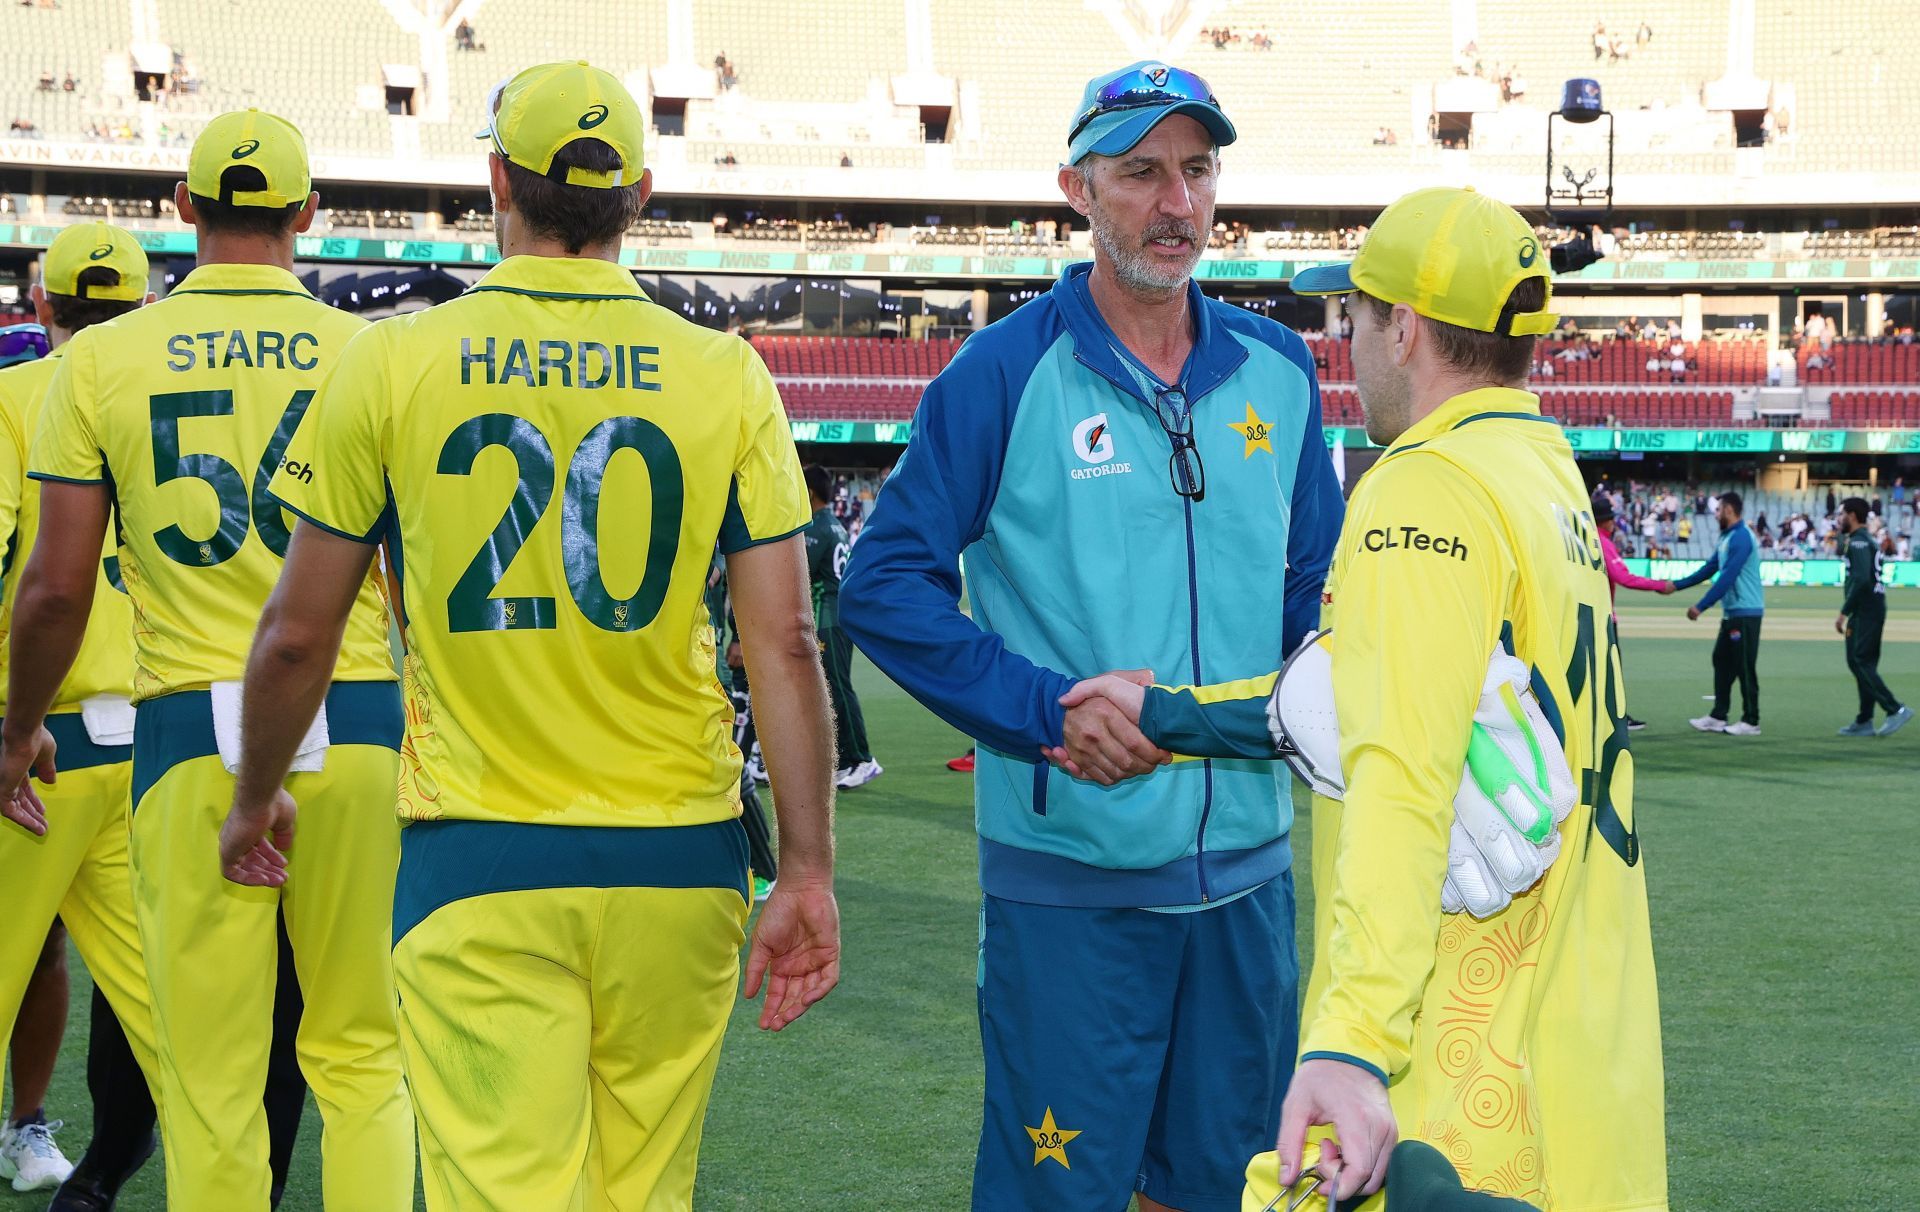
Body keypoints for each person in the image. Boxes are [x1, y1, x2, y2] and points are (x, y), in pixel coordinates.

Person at [215, 63, 840, 1208]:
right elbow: (786, 641)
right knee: (642, 1191)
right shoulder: (729, 373)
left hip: (482, 851)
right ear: (639, 196)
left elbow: (297, 635)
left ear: (496, 177)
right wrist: (805, 867)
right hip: (682, 853)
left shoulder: (392, 359)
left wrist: (255, 795)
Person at [1063, 186, 1666, 1210]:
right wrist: (1167, 712)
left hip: (1456, 1056)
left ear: (1411, 326)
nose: (1347, 344)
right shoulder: (1542, 469)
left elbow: (1402, 776)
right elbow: (1360, 691)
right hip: (1580, 1035)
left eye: (1357, 314)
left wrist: (1352, 1042)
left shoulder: (1423, 484)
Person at [841, 61, 1343, 1212]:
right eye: (1140, 174)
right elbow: (885, 582)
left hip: (1249, 889)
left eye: (1197, 171)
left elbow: (1311, 591)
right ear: (1077, 188)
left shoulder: (1279, 368)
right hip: (1071, 889)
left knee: (1232, 1193)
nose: (1177, 204)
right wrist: (1044, 714)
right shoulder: (1002, 373)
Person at [0, 110, 415, 1211]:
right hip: (362, 716)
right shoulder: (375, 352)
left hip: (190, 729)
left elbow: (53, 587)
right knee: (365, 1055)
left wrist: (14, 726)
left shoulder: (104, 359)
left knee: (213, 1074)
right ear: (307, 215)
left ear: (182, 212)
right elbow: (412, 581)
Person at [0, 224, 156, 1201]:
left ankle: (34, 1129)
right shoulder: (163, 398)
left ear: (46, 304)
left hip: (36, 738)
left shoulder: (16, 395)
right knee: (176, 1007)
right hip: (143, 746)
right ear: (145, 302)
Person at [804, 465, 880, 789]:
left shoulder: (816, 528)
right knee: (834, 687)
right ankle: (848, 759)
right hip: (838, 615)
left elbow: (800, 572)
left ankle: (862, 759)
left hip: (828, 617)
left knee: (837, 686)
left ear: (808, 492)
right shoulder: (834, 525)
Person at [1673, 491, 1763, 734]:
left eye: (1718, 510)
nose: (1715, 514)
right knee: (1722, 660)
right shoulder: (1728, 537)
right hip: (1734, 612)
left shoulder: (1741, 537)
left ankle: (1751, 720)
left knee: (1744, 666)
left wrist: (1700, 606)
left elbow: (1727, 576)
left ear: (1729, 510)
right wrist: (1676, 585)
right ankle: (1718, 715)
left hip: (1745, 612)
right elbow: (1709, 569)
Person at [1591, 492, 1673, 730]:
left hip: (1588, 615)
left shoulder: (1586, 540)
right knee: (1611, 671)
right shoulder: (1602, 542)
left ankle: (1600, 718)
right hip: (1604, 617)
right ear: (1606, 520)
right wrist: (1659, 586)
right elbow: (1624, 578)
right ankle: (1616, 719)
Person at [1834, 498, 1911, 737]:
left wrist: (1843, 611)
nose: (1839, 519)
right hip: (1875, 608)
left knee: (1858, 660)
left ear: (1853, 515)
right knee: (1864, 663)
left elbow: (1861, 580)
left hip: (1865, 610)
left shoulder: (1858, 542)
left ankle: (1895, 709)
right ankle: (1865, 719)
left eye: (1842, 514)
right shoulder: (1867, 541)